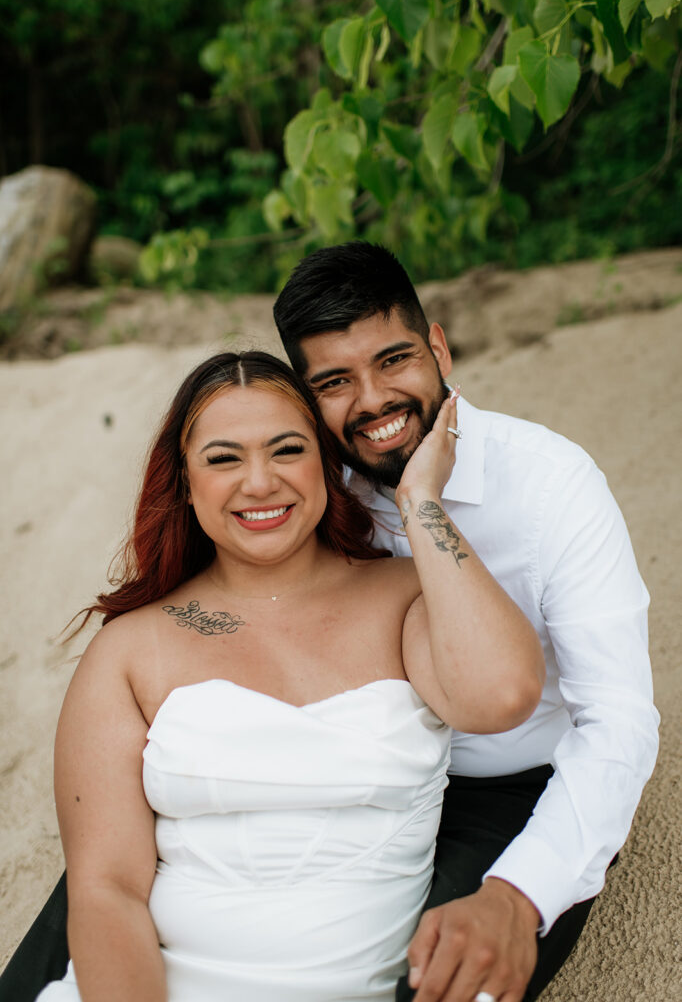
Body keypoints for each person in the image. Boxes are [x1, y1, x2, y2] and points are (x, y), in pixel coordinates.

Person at [9, 350, 543, 1002]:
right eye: (224, 458)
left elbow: (503, 694)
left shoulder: (405, 597)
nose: (259, 483)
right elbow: (107, 891)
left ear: (326, 463)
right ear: (183, 482)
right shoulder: (129, 649)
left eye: (287, 450)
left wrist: (420, 500)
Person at [271, 242, 660, 1002]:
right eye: (335, 382)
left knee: (434, 983)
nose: (375, 399)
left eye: (394, 360)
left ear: (439, 347)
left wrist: (518, 894)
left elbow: (617, 721)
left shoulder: (553, 483)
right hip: (355, 776)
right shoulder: (302, 490)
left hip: (508, 787)